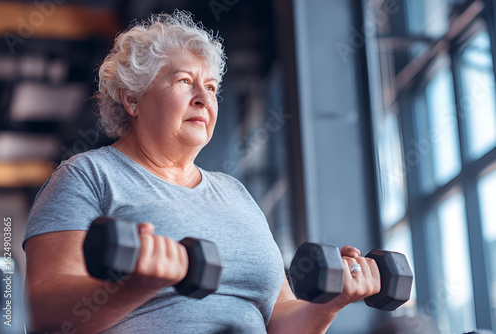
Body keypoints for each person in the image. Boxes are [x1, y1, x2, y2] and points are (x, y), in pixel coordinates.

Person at [23, 10, 380, 334]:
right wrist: (136, 286)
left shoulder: (236, 193)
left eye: (210, 87)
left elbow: (280, 318)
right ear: (132, 99)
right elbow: (44, 313)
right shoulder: (88, 175)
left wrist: (331, 303)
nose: (204, 99)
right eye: (183, 81)